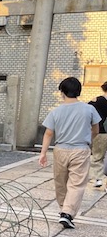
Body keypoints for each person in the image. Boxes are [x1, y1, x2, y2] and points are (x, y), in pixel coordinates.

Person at [39, 76, 101, 228]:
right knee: (77, 183)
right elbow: (96, 130)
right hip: (81, 149)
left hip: (60, 149)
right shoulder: (89, 109)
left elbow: (48, 134)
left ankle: (63, 209)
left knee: (60, 182)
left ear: (62, 92)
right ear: (78, 91)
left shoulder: (56, 111)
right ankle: (67, 212)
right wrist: (89, 140)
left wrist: (43, 153)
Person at [87, 81, 107, 188]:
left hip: (101, 132)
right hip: (101, 131)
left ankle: (98, 179)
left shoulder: (97, 101)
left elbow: (87, 109)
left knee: (98, 156)